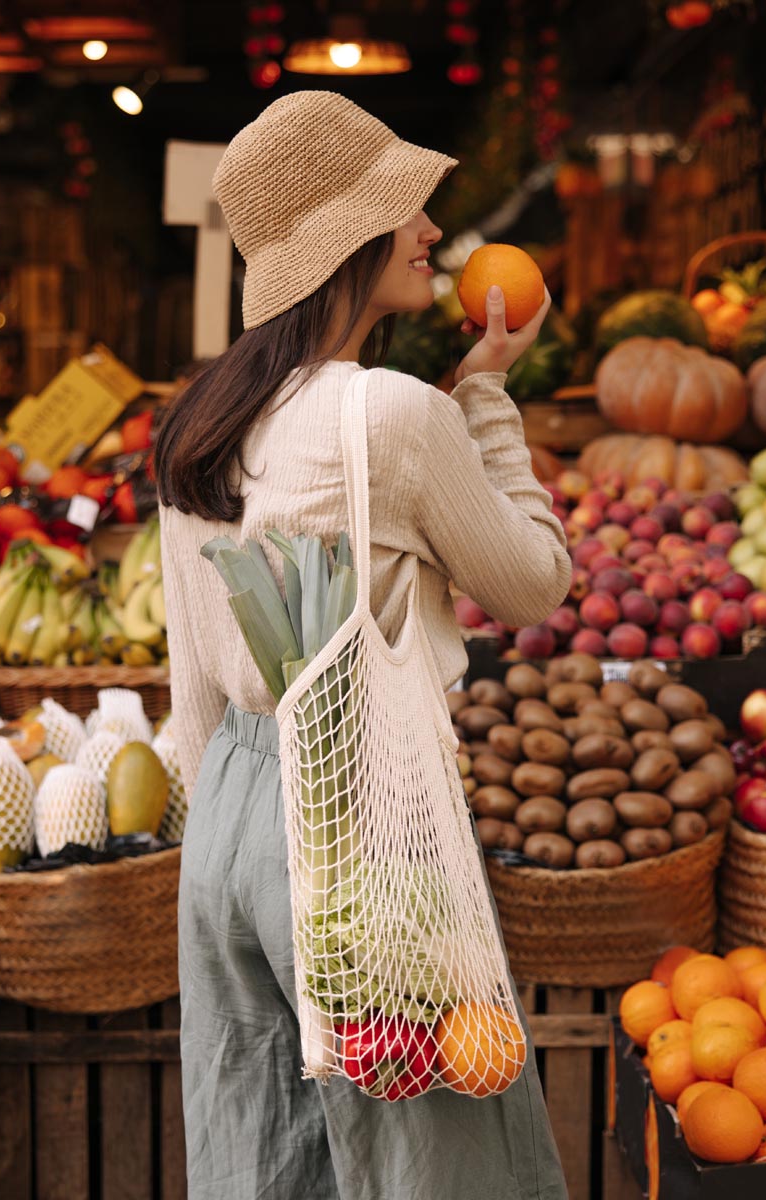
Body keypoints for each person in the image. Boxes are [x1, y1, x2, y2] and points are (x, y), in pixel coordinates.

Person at [155, 90, 571, 1200]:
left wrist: (235, 848)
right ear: (348, 242)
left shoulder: (200, 423)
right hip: (357, 810)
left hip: (233, 818)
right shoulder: (394, 415)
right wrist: (486, 398)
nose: (432, 231)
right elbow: (534, 583)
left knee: (262, 1152)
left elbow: (190, 675)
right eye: (406, 210)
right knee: (435, 1160)